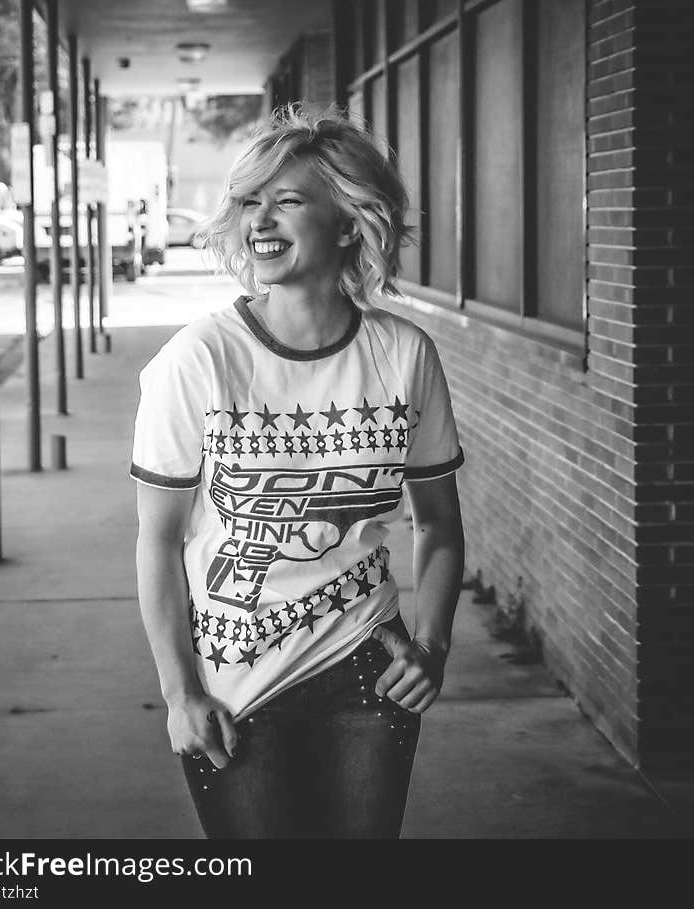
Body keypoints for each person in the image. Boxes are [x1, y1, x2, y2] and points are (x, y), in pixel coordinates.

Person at [131, 105, 465, 838]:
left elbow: (438, 523)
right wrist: (179, 690)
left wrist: (435, 644)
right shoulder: (200, 359)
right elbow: (157, 541)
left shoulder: (404, 356)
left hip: (369, 668)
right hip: (234, 681)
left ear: (349, 223)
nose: (260, 221)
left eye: (286, 200)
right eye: (251, 202)